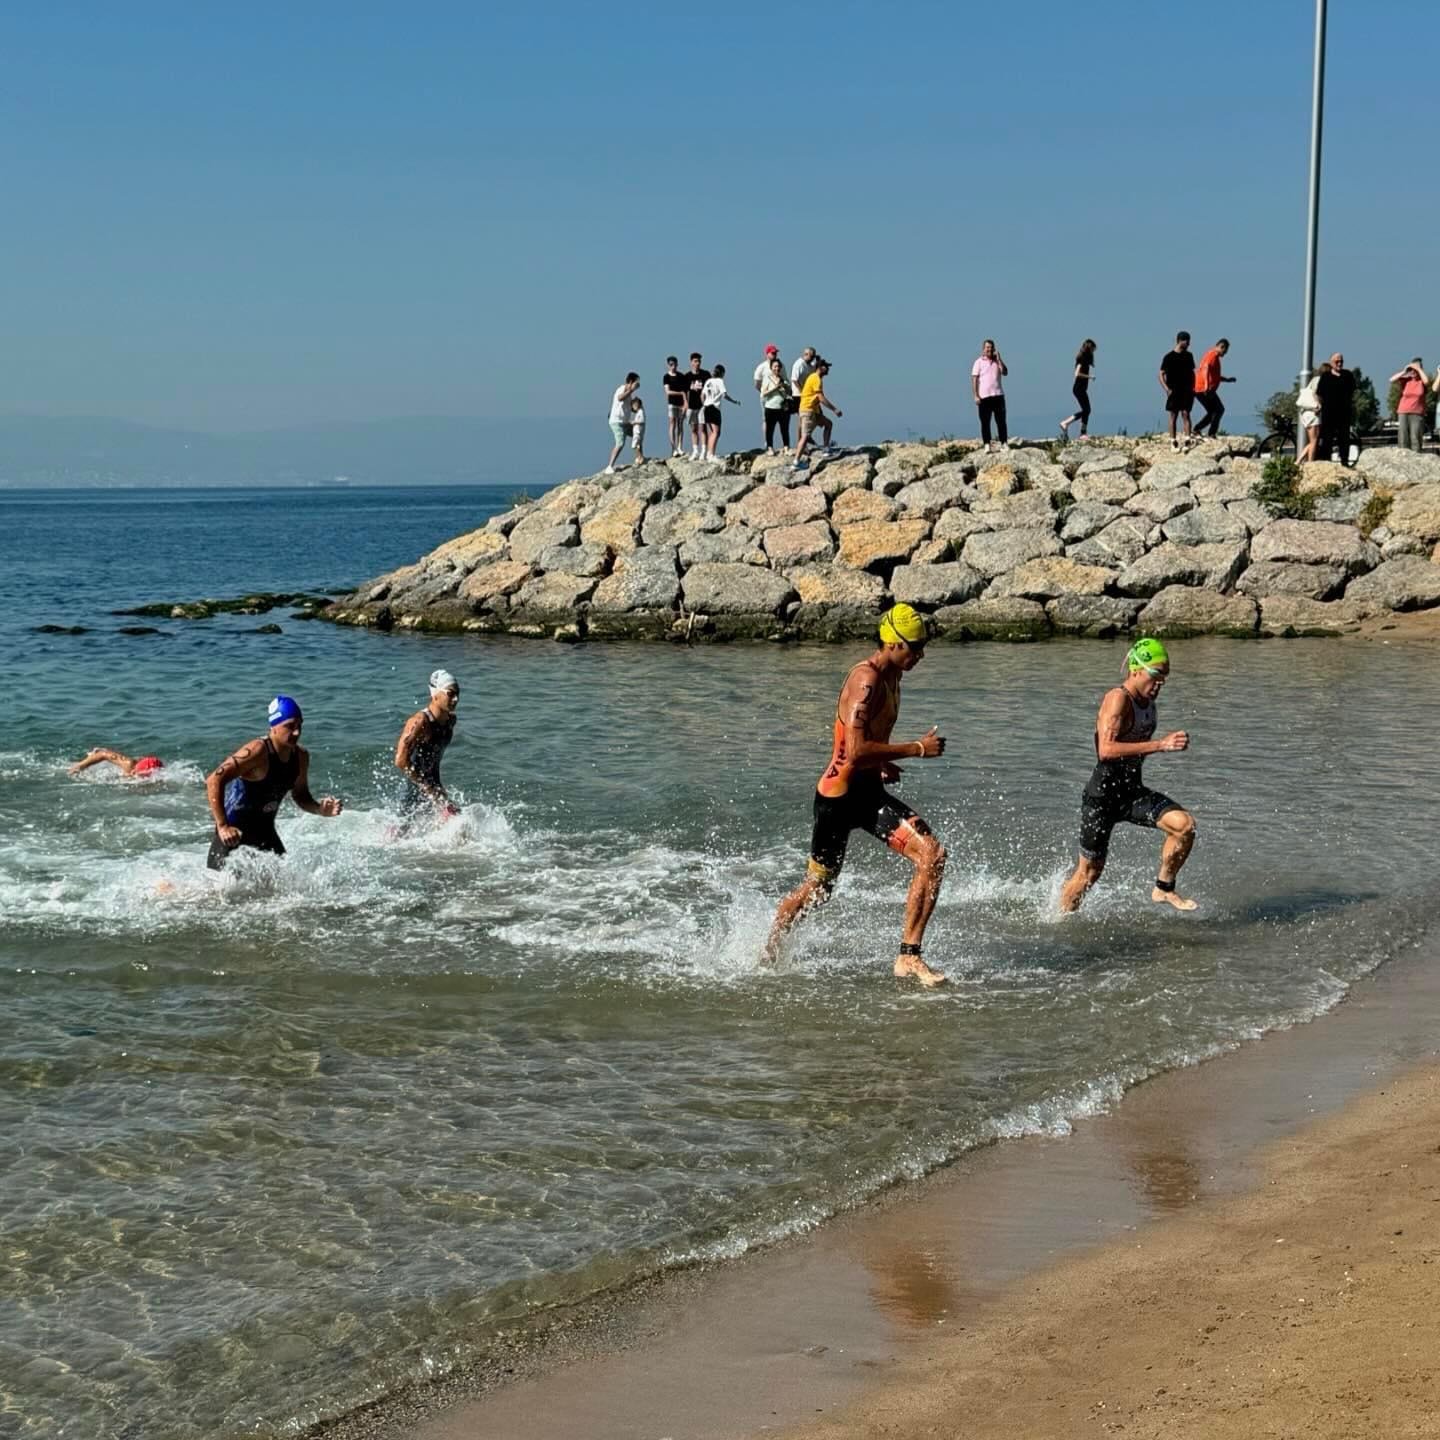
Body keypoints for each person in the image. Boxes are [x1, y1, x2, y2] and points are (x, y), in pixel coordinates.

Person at [765, 604, 949, 986]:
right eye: (914, 647)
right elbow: (855, 749)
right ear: (893, 643)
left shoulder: (893, 676)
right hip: (838, 799)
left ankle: (909, 956)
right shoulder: (866, 680)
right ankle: (768, 954)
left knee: (932, 855)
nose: (920, 654)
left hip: (868, 793)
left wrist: (882, 763)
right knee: (819, 891)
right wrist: (917, 748)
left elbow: (868, 745)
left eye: (923, 646)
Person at [1059, 638, 1197, 915]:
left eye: (1165, 677)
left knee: (1184, 827)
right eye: (1156, 674)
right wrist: (1161, 744)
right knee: (1089, 873)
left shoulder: (1148, 704)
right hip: (1102, 798)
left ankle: (1163, 887)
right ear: (1136, 669)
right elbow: (1106, 750)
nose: (1160, 683)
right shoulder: (1118, 699)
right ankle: (1060, 920)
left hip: (1131, 793)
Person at [204, 696, 343, 870]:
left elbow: (300, 795)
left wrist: (319, 809)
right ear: (274, 727)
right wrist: (223, 826)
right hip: (233, 834)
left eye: (299, 725)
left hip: (266, 834)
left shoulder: (300, 756)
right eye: (290, 726)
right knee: (213, 886)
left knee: (287, 884)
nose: (296, 732)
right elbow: (214, 780)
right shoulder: (257, 751)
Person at [393, 669, 460, 831]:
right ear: (435, 694)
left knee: (457, 825)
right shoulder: (420, 721)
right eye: (450, 693)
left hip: (434, 788)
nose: (456, 699)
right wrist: (428, 788)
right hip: (413, 790)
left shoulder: (450, 721)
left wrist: (437, 792)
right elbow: (400, 760)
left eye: (458, 693)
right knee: (399, 835)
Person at [792, 358, 842, 469]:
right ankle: (796, 462)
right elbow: (820, 397)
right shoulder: (816, 379)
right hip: (808, 410)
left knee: (828, 424)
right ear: (820, 368)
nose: (828, 369)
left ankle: (826, 449)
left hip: (813, 411)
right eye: (826, 367)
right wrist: (834, 409)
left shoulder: (814, 378)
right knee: (805, 436)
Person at [1314, 352, 1355, 465]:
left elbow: (1352, 391)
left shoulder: (1348, 375)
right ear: (1331, 363)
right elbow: (1318, 393)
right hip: (1329, 413)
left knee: (1344, 438)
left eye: (1341, 361)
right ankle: (1326, 461)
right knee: (1327, 438)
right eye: (1337, 361)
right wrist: (1319, 405)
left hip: (1344, 412)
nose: (1339, 364)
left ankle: (1344, 461)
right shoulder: (1325, 377)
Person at [1158, 331, 1196, 451]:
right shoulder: (1168, 357)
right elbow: (1161, 374)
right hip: (1174, 390)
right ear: (1180, 341)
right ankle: (1173, 441)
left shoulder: (1189, 356)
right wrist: (1166, 389)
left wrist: (1193, 387)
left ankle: (1187, 440)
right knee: (1173, 415)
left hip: (1187, 390)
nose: (1189, 344)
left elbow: (1192, 372)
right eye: (1187, 341)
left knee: (1186, 414)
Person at [1192, 338, 1236, 439]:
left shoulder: (1211, 355)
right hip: (1203, 389)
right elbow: (1205, 369)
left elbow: (1214, 376)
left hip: (1202, 388)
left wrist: (1227, 380)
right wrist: (1206, 386)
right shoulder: (1213, 355)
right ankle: (1210, 433)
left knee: (1213, 411)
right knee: (1219, 410)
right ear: (1221, 347)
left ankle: (1197, 429)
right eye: (1225, 351)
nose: (1225, 354)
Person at [971, 339, 1009, 450]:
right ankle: (987, 444)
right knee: (985, 422)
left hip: (998, 395)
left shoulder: (997, 361)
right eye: (987, 347)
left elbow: (1005, 372)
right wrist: (976, 395)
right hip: (984, 397)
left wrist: (999, 359)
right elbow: (974, 379)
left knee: (1001, 421)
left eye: (991, 347)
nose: (989, 349)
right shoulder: (978, 362)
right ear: (983, 349)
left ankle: (1004, 443)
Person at [699, 364, 740, 461]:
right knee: (716, 432)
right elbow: (724, 395)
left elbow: (702, 395)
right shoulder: (719, 381)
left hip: (706, 407)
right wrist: (734, 401)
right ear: (722, 374)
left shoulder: (708, 381)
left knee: (713, 432)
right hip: (714, 408)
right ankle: (711, 454)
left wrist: (704, 404)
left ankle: (709, 453)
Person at [1059, 339, 1097, 440]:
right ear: (1089, 349)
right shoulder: (1081, 359)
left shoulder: (1085, 360)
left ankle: (1081, 432)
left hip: (1081, 389)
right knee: (1086, 410)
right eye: (1093, 350)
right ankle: (1070, 426)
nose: (1094, 352)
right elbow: (1076, 374)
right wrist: (1089, 377)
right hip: (1078, 389)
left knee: (1086, 410)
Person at [606, 373, 641, 474]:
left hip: (625, 422)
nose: (637, 385)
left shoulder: (629, 394)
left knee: (637, 434)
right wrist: (631, 390)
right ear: (630, 382)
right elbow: (620, 398)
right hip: (617, 422)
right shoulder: (621, 389)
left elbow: (628, 407)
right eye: (636, 383)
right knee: (620, 443)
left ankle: (639, 457)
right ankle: (610, 466)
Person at [1391, 358, 1428, 452]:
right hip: (1403, 411)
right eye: (1412, 369)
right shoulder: (1406, 380)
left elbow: (1427, 382)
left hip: (1417, 413)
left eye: (1415, 369)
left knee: (1415, 437)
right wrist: (1405, 371)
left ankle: (1416, 456)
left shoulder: (1422, 381)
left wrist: (1419, 369)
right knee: (1403, 437)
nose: (1413, 371)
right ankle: (1403, 456)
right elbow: (1391, 380)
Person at [760, 356, 793, 453]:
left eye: (778, 366)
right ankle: (770, 447)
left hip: (783, 407)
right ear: (771, 368)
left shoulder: (783, 379)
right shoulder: (767, 379)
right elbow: (764, 393)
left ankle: (786, 447)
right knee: (770, 429)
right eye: (775, 366)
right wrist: (775, 388)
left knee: (785, 429)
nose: (777, 368)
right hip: (770, 407)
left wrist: (785, 387)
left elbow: (790, 392)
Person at [753, 343, 783, 446]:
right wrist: (763, 392)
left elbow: (784, 379)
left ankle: (783, 443)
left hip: (779, 397)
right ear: (767, 354)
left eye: (775, 353)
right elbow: (757, 382)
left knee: (781, 420)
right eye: (773, 353)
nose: (775, 355)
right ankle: (767, 442)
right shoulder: (762, 367)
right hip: (766, 397)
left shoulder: (780, 365)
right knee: (766, 420)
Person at [69, 748, 164, 778]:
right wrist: (81, 766)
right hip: (103, 754)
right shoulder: (129, 764)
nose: (132, 774)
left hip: (150, 764)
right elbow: (103, 754)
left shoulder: (158, 777)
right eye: (133, 773)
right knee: (100, 752)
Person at [684, 353, 711, 459]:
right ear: (691, 362)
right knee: (693, 428)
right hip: (691, 406)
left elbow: (710, 389)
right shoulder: (687, 376)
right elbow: (685, 391)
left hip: (702, 405)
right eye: (695, 361)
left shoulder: (705, 374)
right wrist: (685, 403)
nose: (697, 363)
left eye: (699, 361)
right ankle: (695, 450)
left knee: (703, 427)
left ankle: (704, 450)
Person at [662, 356, 688, 457]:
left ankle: (680, 447)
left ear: (677, 364)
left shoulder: (681, 376)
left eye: (674, 364)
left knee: (680, 424)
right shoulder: (666, 377)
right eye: (671, 365)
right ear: (668, 365)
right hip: (672, 403)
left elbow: (685, 391)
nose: (673, 366)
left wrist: (685, 402)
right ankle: (674, 448)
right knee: (672, 423)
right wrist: (680, 393)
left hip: (681, 404)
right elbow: (668, 392)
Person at [1297, 367, 1322, 462]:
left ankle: (1298, 461)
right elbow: (1315, 393)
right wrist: (1318, 405)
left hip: (1306, 413)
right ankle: (1310, 462)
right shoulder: (1320, 380)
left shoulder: (1314, 380)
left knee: (1312, 441)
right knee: (1314, 441)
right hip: (1313, 413)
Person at [629, 395, 647, 463]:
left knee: (634, 445)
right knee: (638, 445)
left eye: (633, 406)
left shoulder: (641, 412)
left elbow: (642, 420)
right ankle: (639, 457)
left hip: (638, 431)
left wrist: (634, 422)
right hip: (638, 431)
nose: (633, 408)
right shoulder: (639, 412)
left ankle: (640, 457)